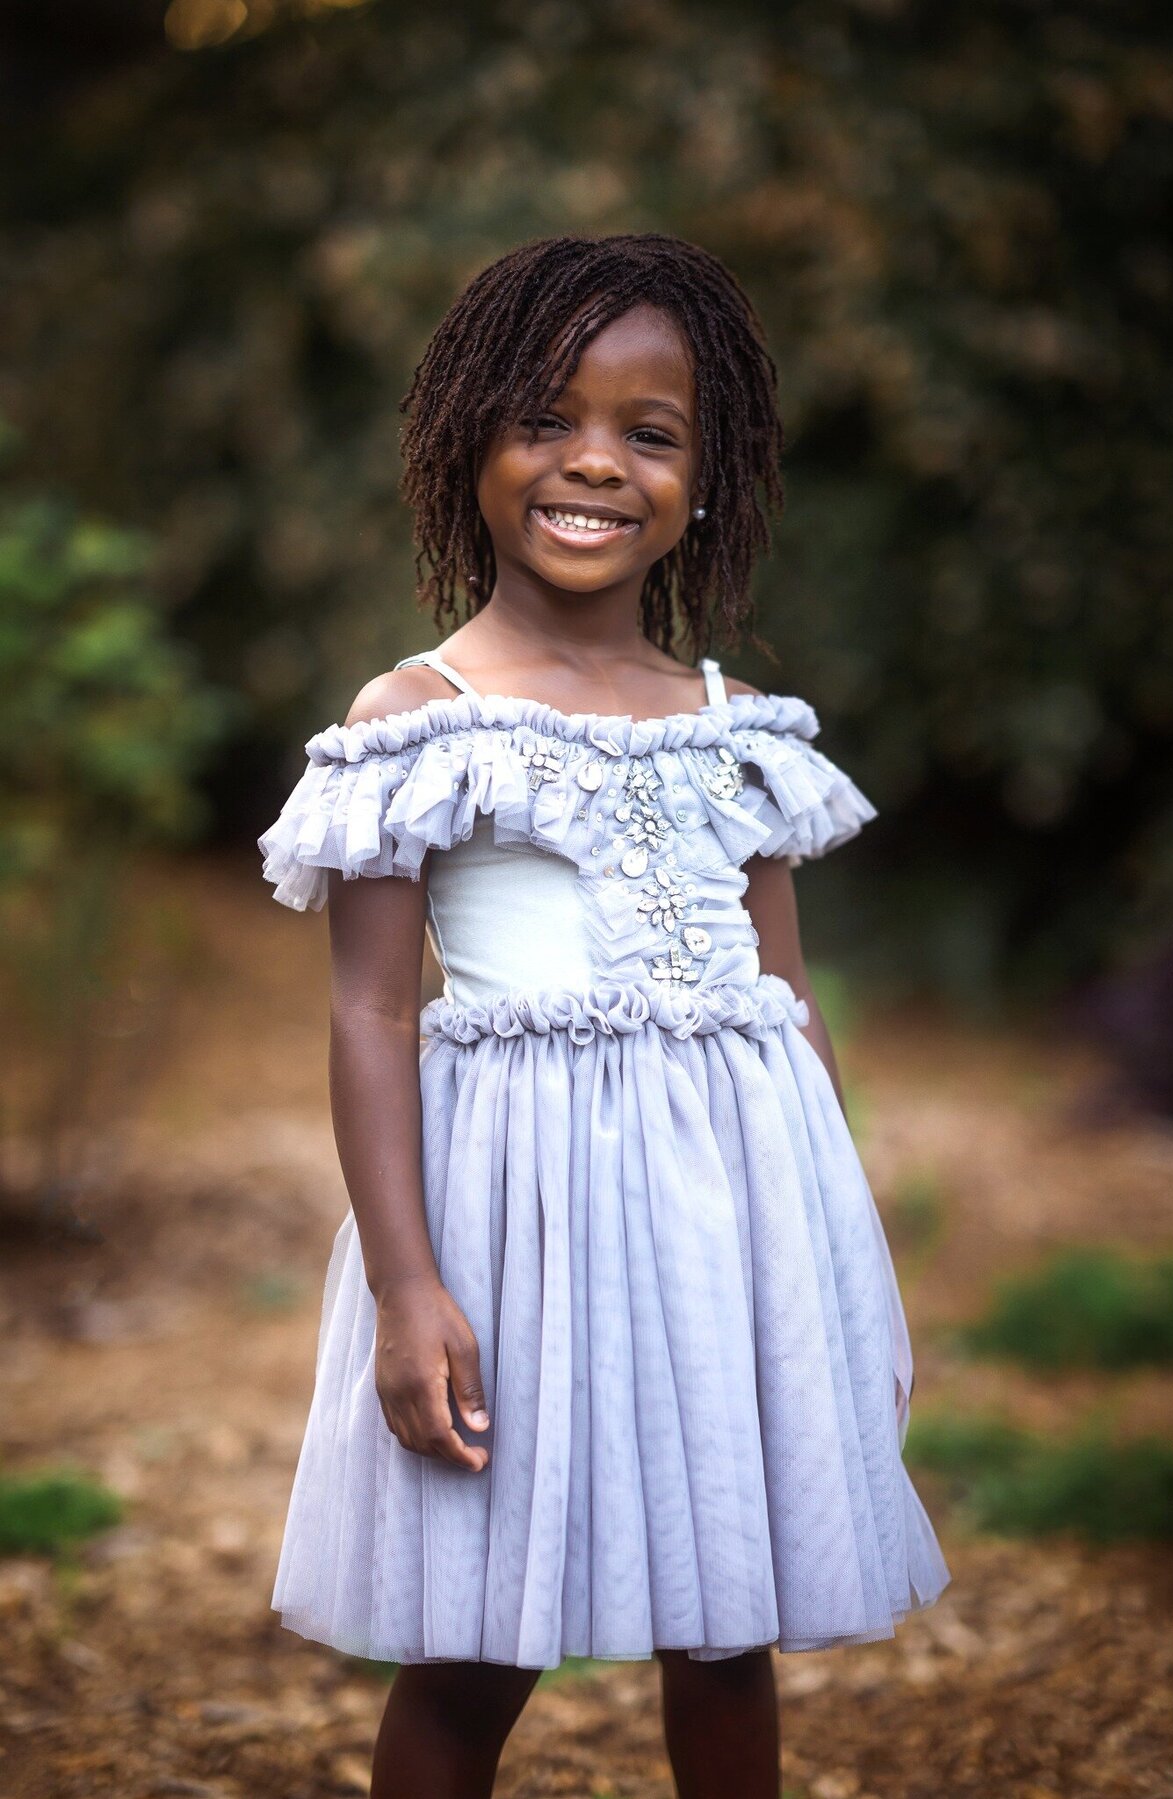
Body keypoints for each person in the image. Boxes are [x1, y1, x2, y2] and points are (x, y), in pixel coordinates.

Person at [259, 232, 951, 1799]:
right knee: (479, 1642)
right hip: (528, 1231)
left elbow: (782, 994)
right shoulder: (418, 718)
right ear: (469, 446)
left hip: (736, 1221)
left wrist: (843, 1249)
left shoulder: (730, 731)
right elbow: (373, 1017)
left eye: (650, 433)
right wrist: (407, 1288)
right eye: (546, 418)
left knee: (726, 1626)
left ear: (706, 480)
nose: (594, 463)